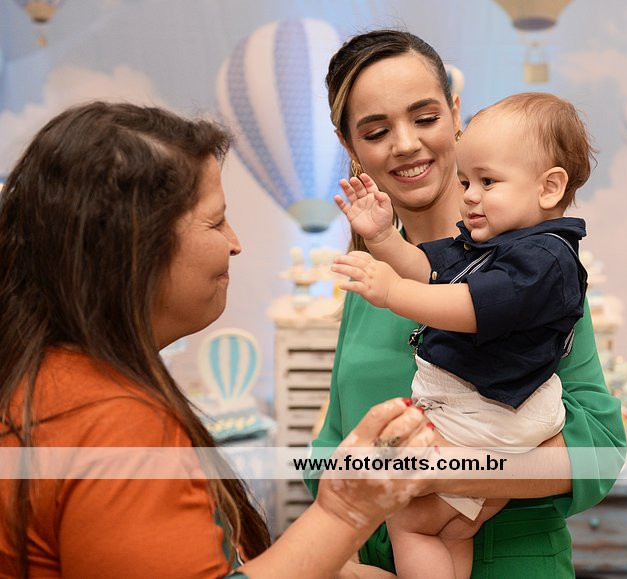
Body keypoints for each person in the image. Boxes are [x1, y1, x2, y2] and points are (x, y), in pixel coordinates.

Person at [0, 101, 437, 579]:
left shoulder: (50, 380)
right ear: (134, 250)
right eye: (215, 221)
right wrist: (344, 512)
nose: (235, 243)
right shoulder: (111, 421)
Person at [305, 29, 626, 578]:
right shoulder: (371, 280)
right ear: (350, 147)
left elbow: (598, 449)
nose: (406, 144)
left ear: (456, 114)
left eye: (425, 117)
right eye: (377, 131)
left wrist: (442, 473)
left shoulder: (527, 269)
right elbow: (333, 446)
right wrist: (341, 561)